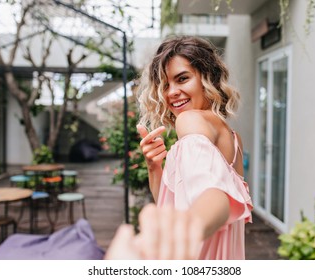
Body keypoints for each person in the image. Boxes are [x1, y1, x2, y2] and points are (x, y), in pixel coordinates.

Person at [107, 35, 253, 260]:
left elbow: (216, 198)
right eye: (165, 85)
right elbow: (174, 205)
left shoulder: (190, 121)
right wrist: (154, 167)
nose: (171, 92)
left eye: (182, 79)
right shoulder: (234, 139)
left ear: (208, 78)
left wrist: (169, 240)